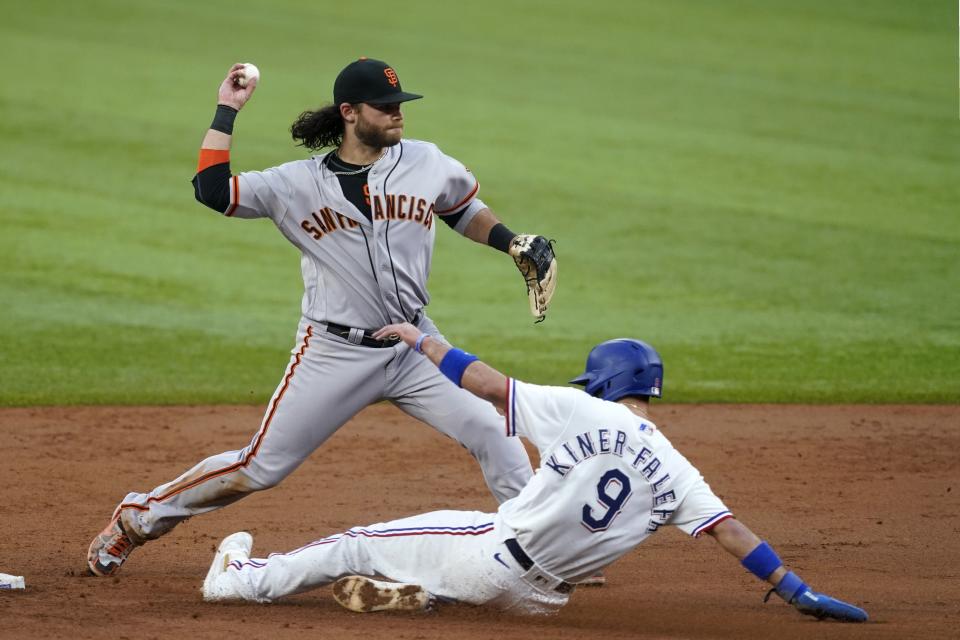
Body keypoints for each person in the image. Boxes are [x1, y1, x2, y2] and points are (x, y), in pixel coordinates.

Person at [86, 58, 559, 578]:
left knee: (493, 431)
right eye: (386, 107)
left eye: (400, 105)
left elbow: (462, 209)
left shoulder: (425, 161)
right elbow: (212, 190)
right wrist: (227, 109)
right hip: (333, 352)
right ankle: (136, 519)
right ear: (350, 113)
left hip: (414, 345)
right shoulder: (295, 185)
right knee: (259, 467)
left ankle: (538, 548)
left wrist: (508, 240)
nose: (398, 115)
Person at [199, 325, 869, 622]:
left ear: (604, 380)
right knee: (467, 534)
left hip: (497, 561)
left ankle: (239, 583)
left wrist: (420, 339)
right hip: (549, 600)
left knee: (355, 541)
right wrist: (799, 592)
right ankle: (425, 593)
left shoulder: (578, 407)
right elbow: (732, 534)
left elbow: (488, 385)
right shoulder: (678, 470)